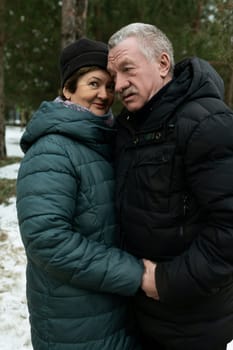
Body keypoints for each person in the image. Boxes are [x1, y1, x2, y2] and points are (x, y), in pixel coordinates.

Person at [107, 22, 233, 350]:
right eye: (113, 76)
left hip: (191, 327)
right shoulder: (131, 128)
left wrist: (165, 282)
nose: (118, 85)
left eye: (127, 70)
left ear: (163, 64)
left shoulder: (207, 123)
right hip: (141, 316)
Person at [16, 37, 144, 350]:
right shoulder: (52, 150)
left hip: (108, 311)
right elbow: (48, 240)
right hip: (71, 321)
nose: (104, 94)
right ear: (68, 89)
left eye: (110, 85)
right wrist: (135, 275)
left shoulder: (102, 142)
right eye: (93, 83)